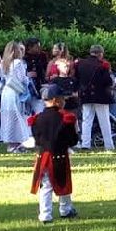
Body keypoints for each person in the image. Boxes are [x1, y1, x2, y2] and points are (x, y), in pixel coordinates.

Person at [30, 86, 79, 223]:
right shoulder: (65, 118)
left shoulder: (37, 119)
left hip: (43, 156)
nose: (64, 101)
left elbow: (38, 140)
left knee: (45, 186)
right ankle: (65, 209)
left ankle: (45, 214)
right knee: (63, 183)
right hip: (59, 155)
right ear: (56, 100)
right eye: (62, 98)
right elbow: (72, 140)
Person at [0, 41, 33, 153]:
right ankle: (17, 143)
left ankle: (12, 143)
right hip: (15, 91)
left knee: (8, 116)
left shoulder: (4, 63)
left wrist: (0, 87)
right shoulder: (18, 63)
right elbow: (22, 79)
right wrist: (28, 80)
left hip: (6, 91)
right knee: (17, 116)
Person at [76, 45, 116, 151]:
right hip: (101, 95)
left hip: (86, 95)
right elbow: (107, 81)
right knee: (104, 121)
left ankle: (85, 144)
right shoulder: (103, 65)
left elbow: (77, 79)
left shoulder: (81, 64)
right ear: (100, 53)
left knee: (86, 120)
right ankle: (109, 145)